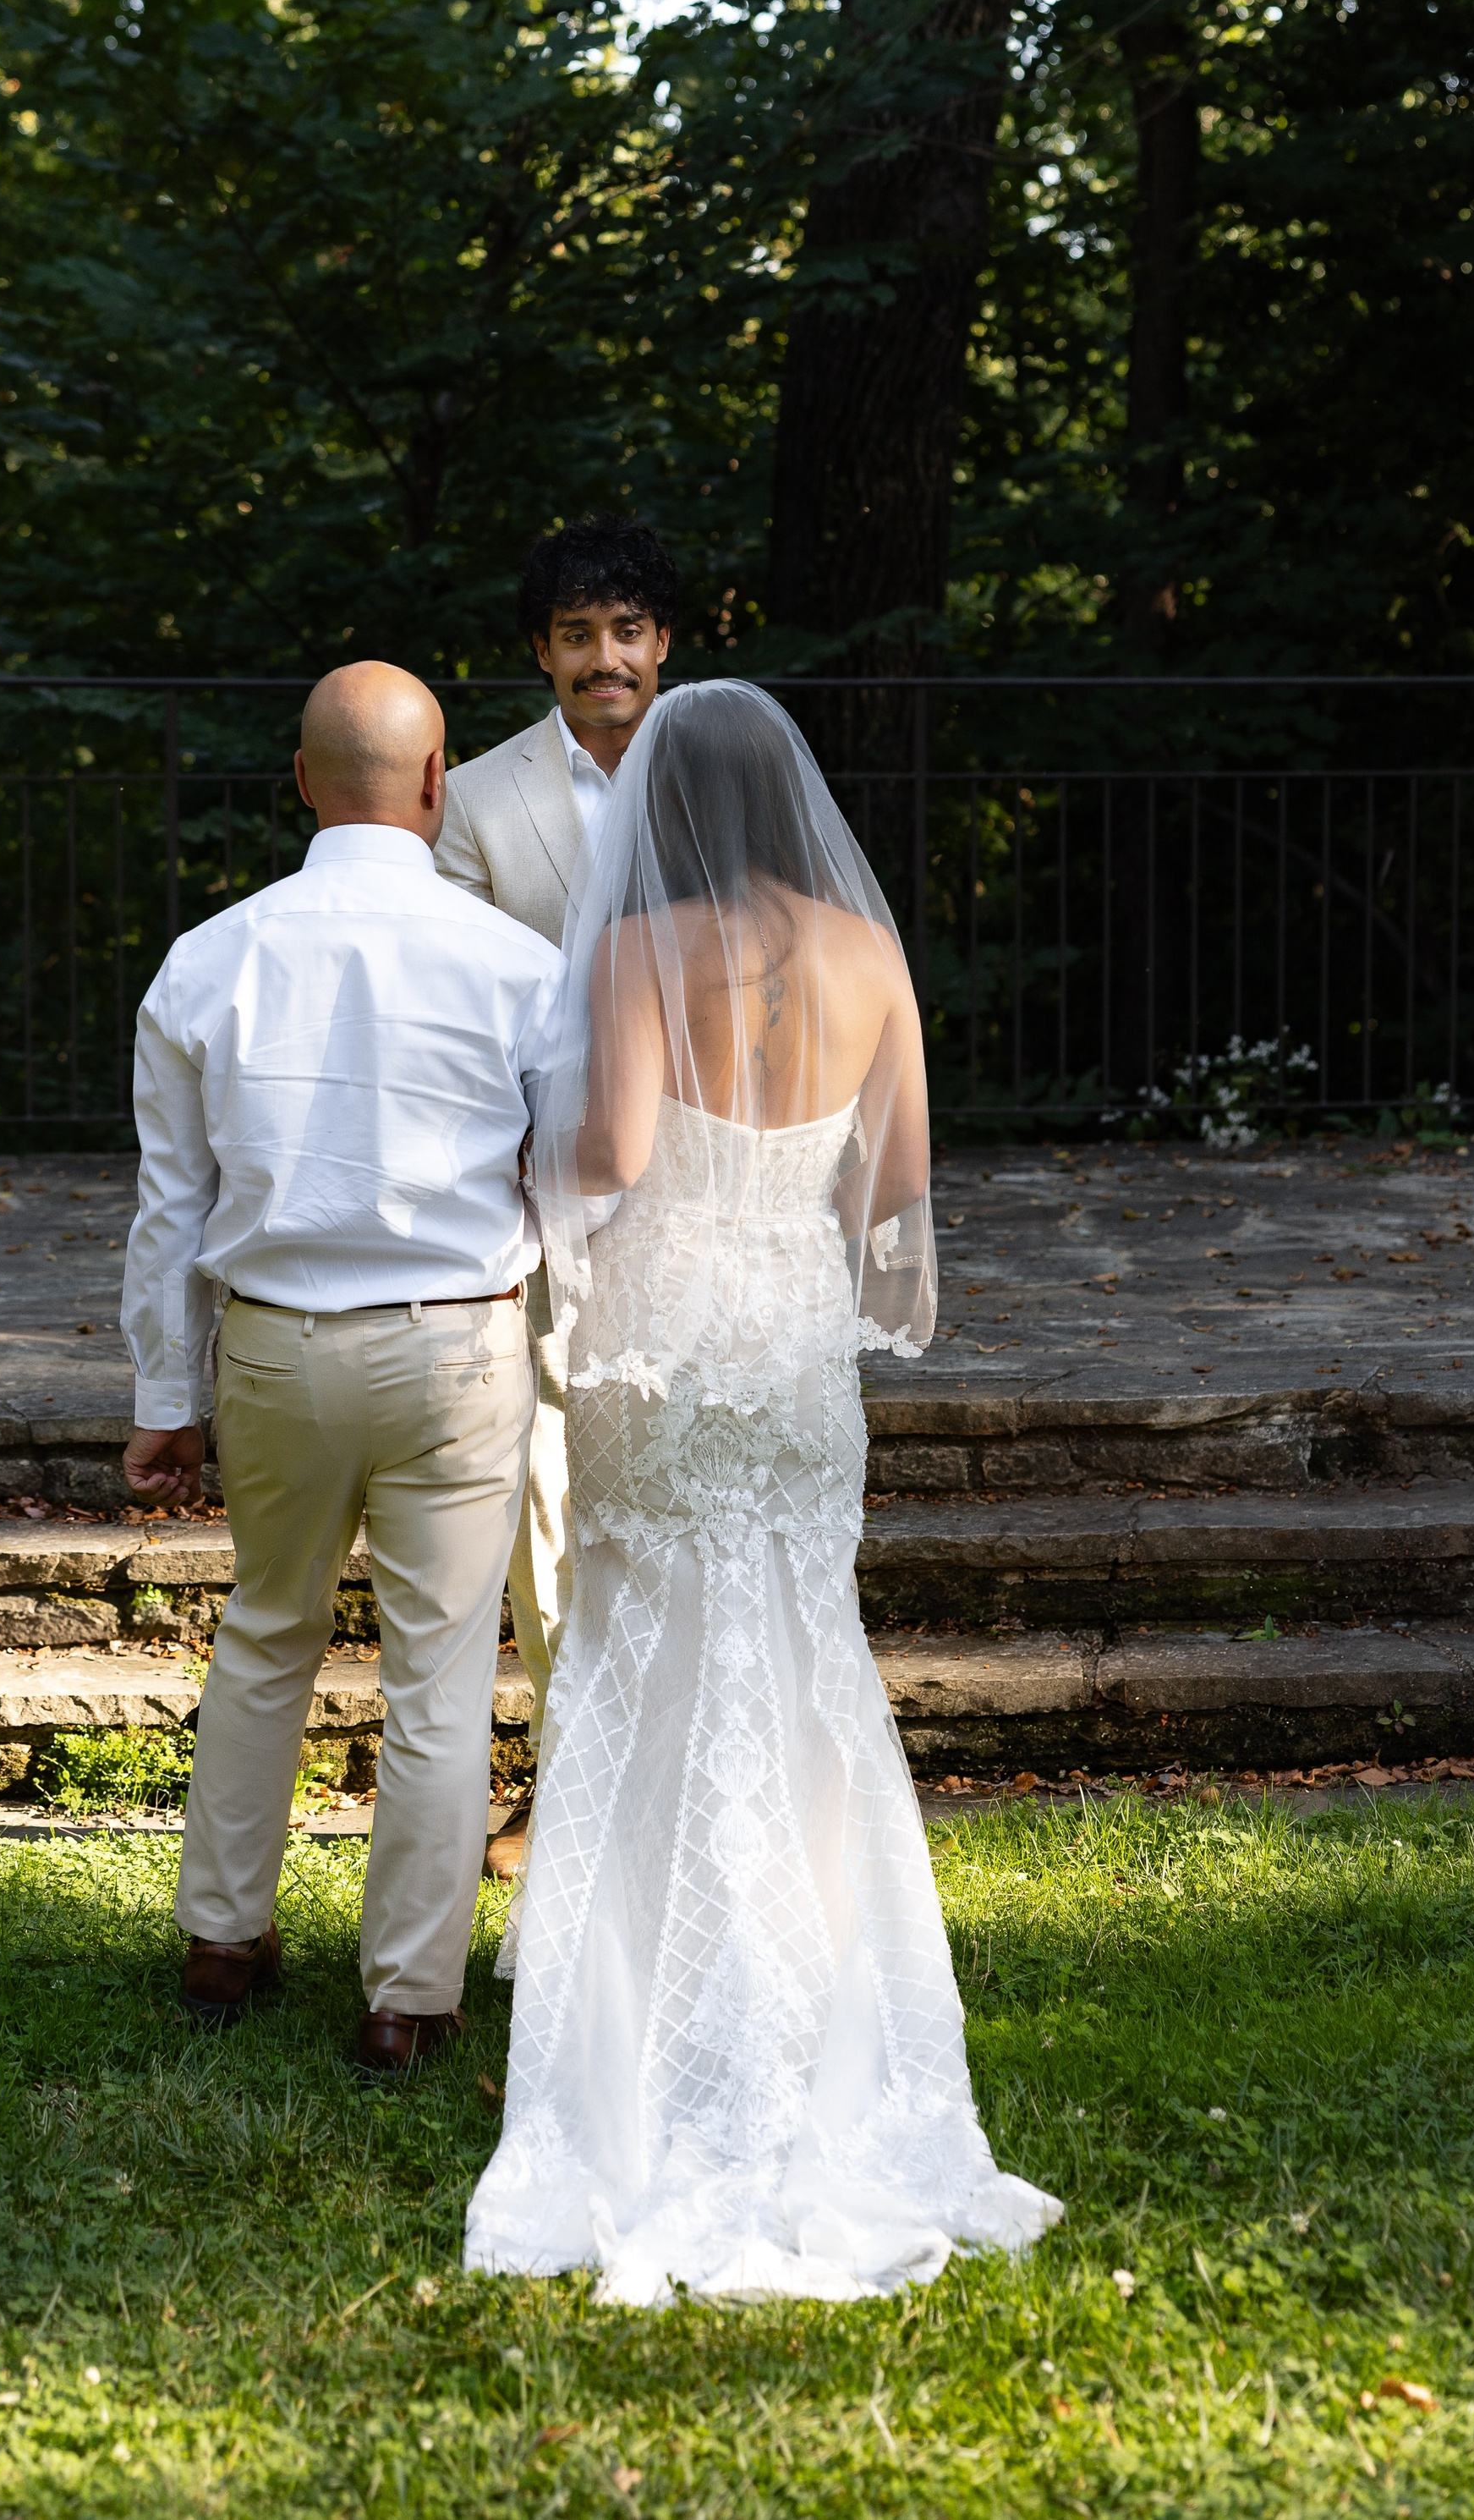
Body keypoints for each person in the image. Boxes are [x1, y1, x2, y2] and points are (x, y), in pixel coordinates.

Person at [463, 682, 1062, 2298]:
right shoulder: (870, 956)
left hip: (665, 1341)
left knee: (641, 1646)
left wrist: (528, 1165)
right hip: (793, 1342)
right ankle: (814, 2001)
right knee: (803, 1653)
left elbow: (614, 1157)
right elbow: (898, 1183)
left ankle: (651, 2015)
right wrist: (789, 1197)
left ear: (663, 803)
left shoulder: (635, 952)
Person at [119, 662, 559, 2075]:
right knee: (441, 1671)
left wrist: (164, 1399)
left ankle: (222, 1937)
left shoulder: (209, 957)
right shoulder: (519, 964)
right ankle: (407, 2000)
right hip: (457, 1342)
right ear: (437, 783)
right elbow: (569, 1180)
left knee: (265, 1631)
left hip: (274, 1345)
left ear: (303, 781)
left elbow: (169, 1210)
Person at [436, 518, 676, 1871]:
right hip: (540, 1192)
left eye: (626, 630)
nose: (604, 658)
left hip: (700, 1193)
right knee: (548, 1496)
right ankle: (576, 1780)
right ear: (541, 651)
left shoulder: (720, 780)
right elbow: (459, 1013)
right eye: (577, 635)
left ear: (663, 641)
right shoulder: (476, 801)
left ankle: (685, 1773)